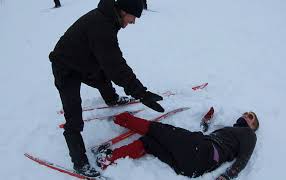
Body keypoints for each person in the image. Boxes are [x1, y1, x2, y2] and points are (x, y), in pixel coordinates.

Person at [49, 0, 164, 177]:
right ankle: (79, 162)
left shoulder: (109, 18)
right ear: (124, 11)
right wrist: (142, 93)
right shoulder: (101, 27)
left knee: (102, 77)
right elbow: (116, 66)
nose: (131, 23)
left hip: (84, 59)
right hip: (65, 67)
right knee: (74, 118)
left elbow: (110, 63)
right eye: (132, 19)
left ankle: (111, 99)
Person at [97, 111, 259, 179]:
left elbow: (243, 158)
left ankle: (121, 118)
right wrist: (206, 121)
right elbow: (208, 135)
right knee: (149, 144)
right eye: (245, 113)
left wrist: (227, 176)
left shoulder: (249, 135)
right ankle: (109, 158)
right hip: (192, 168)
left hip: (203, 151)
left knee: (159, 130)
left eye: (250, 116)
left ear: (253, 127)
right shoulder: (231, 132)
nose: (246, 115)